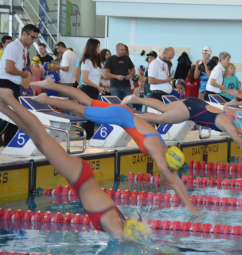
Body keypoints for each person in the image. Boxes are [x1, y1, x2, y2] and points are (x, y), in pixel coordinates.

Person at [0, 88, 155, 245]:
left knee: (37, 139)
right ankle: (9, 98)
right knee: (41, 135)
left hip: (80, 177)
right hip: (79, 176)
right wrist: (151, 251)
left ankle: (3, 107)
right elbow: (125, 240)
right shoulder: (113, 222)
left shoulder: (119, 220)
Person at [31, 79, 200, 217]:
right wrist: (190, 208)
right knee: (80, 110)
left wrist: (189, 204)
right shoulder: (157, 150)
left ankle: (50, 84)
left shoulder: (164, 147)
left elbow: (175, 178)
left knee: (87, 101)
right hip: (120, 115)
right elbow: (171, 179)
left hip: (124, 112)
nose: (170, 170)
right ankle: (45, 99)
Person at [122, 95, 242, 170]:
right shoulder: (229, 126)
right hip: (192, 110)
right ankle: (131, 116)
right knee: (161, 119)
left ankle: (136, 99)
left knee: (162, 107)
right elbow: (241, 143)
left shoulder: (233, 116)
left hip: (195, 102)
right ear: (239, 124)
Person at [0, 24, 38, 146]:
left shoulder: (24, 49)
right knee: (9, 119)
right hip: (5, 85)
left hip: (14, 86)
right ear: (24, 34)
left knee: (14, 121)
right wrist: (24, 74)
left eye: (35, 38)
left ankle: (8, 146)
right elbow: (9, 68)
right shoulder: (14, 46)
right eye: (32, 37)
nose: (33, 41)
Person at [80, 38, 106, 139]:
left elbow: (93, 78)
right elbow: (84, 79)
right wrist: (97, 87)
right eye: (98, 47)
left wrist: (99, 87)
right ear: (92, 48)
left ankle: (89, 136)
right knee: (88, 116)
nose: (99, 49)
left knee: (91, 116)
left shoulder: (94, 61)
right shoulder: (87, 61)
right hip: (88, 90)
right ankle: (85, 137)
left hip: (93, 90)